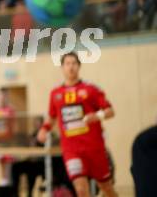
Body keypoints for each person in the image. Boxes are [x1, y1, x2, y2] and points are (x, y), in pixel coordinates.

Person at [37, 52, 117, 197]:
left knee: (107, 188)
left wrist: (97, 116)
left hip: (94, 149)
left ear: (79, 66)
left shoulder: (91, 89)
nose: (71, 67)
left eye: (74, 63)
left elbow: (110, 111)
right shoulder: (56, 93)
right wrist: (44, 129)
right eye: (67, 64)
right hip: (72, 150)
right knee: (81, 190)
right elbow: (52, 116)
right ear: (62, 68)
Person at [0, 88, 15, 185]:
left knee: (9, 165)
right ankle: (3, 184)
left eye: (4, 95)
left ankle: (9, 185)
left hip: (9, 142)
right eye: (0, 95)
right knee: (1, 164)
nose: (2, 98)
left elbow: (13, 126)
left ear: (7, 97)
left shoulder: (10, 110)